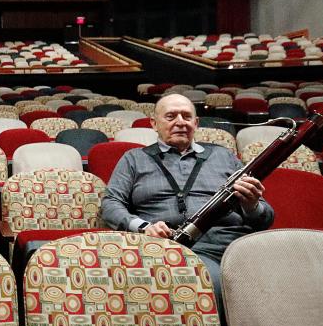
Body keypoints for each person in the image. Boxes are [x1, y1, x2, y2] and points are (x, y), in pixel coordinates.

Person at [101, 93, 273, 305]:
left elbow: (265, 217)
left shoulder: (225, 156)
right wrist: (144, 227)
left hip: (233, 243)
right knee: (211, 282)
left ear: (196, 123)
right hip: (173, 246)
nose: (180, 122)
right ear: (154, 124)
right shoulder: (134, 158)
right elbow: (110, 204)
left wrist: (251, 204)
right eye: (171, 116)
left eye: (186, 116)